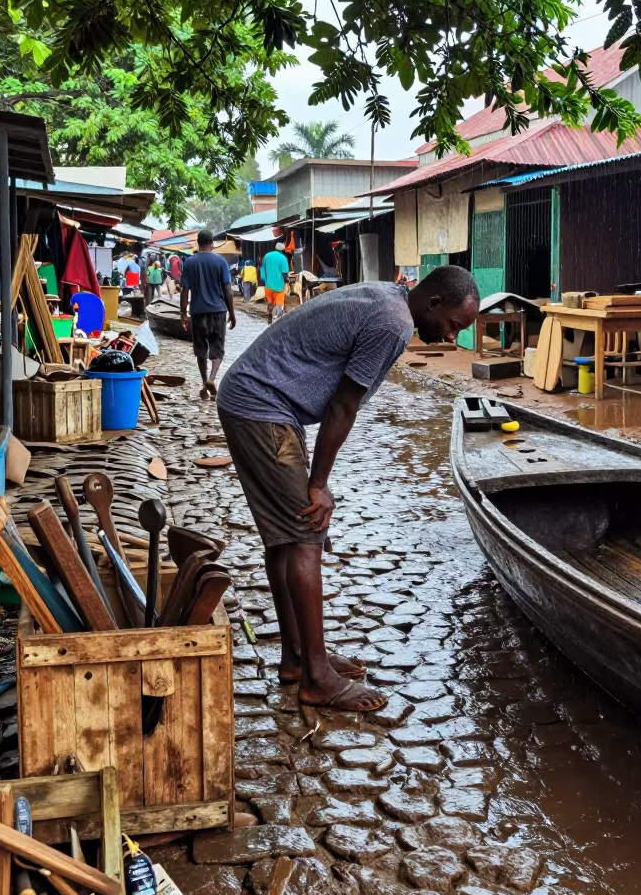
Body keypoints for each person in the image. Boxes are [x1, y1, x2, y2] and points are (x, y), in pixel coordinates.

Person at [216, 266, 480, 711]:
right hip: (261, 407)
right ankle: (317, 678)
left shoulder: (389, 299)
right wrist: (319, 484)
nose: (453, 338)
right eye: (454, 325)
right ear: (433, 304)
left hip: (257, 402)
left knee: (286, 538)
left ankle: (298, 657)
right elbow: (343, 405)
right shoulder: (394, 324)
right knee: (305, 533)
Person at [180, 229, 237, 400]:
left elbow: (184, 290)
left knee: (200, 350)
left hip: (198, 312)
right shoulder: (220, 262)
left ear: (198, 242)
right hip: (218, 311)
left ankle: (205, 382)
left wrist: (183, 313)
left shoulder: (189, 262)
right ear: (212, 242)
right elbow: (227, 290)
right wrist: (232, 314)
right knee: (217, 348)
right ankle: (212, 378)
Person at [260, 241, 290, 323]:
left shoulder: (267, 256)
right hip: (279, 287)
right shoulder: (283, 258)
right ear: (282, 250)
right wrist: (287, 281)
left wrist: (264, 281)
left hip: (268, 286)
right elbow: (285, 274)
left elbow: (262, 270)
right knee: (279, 305)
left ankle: (270, 316)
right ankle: (278, 321)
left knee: (270, 303)